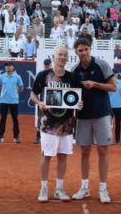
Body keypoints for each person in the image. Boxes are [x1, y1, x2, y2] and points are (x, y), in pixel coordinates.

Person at [30, 45, 81, 202]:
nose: (62, 58)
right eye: (59, 55)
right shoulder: (43, 75)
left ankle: (59, 189)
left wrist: (79, 104)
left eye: (65, 55)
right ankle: (44, 188)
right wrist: (39, 102)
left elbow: (77, 98)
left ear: (67, 58)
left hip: (67, 124)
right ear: (53, 56)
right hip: (48, 124)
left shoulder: (72, 77)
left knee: (63, 157)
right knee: (46, 156)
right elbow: (33, 94)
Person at [71, 38, 116, 204]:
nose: (83, 53)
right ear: (76, 52)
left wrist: (95, 84)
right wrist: (76, 103)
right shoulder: (74, 70)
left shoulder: (102, 65)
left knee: (103, 151)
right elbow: (72, 95)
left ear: (90, 49)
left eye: (86, 49)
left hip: (102, 114)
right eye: (80, 50)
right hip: (83, 117)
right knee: (84, 153)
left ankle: (103, 188)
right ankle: (84, 187)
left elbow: (113, 87)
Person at [0, 62, 24, 143]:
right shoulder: (1, 76)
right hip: (3, 101)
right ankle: (0, 137)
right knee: (2, 119)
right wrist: (3, 93)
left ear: (12, 67)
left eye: (9, 66)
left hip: (14, 101)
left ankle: (16, 137)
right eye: (6, 66)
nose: (7, 67)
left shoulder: (17, 77)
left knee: (15, 119)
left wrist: (15, 94)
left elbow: (21, 88)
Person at [34, 58, 52, 144]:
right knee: (40, 119)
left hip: (53, 101)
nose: (47, 65)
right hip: (43, 100)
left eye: (48, 64)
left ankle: (50, 137)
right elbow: (36, 88)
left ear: (51, 64)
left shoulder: (54, 74)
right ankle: (38, 136)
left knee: (52, 118)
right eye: (45, 64)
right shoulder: (40, 74)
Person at [108, 69, 121, 145]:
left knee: (118, 124)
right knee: (107, 124)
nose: (114, 75)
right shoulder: (107, 82)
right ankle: (108, 139)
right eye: (113, 73)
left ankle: (117, 140)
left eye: (115, 73)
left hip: (118, 106)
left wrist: (118, 100)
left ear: (117, 74)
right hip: (109, 107)